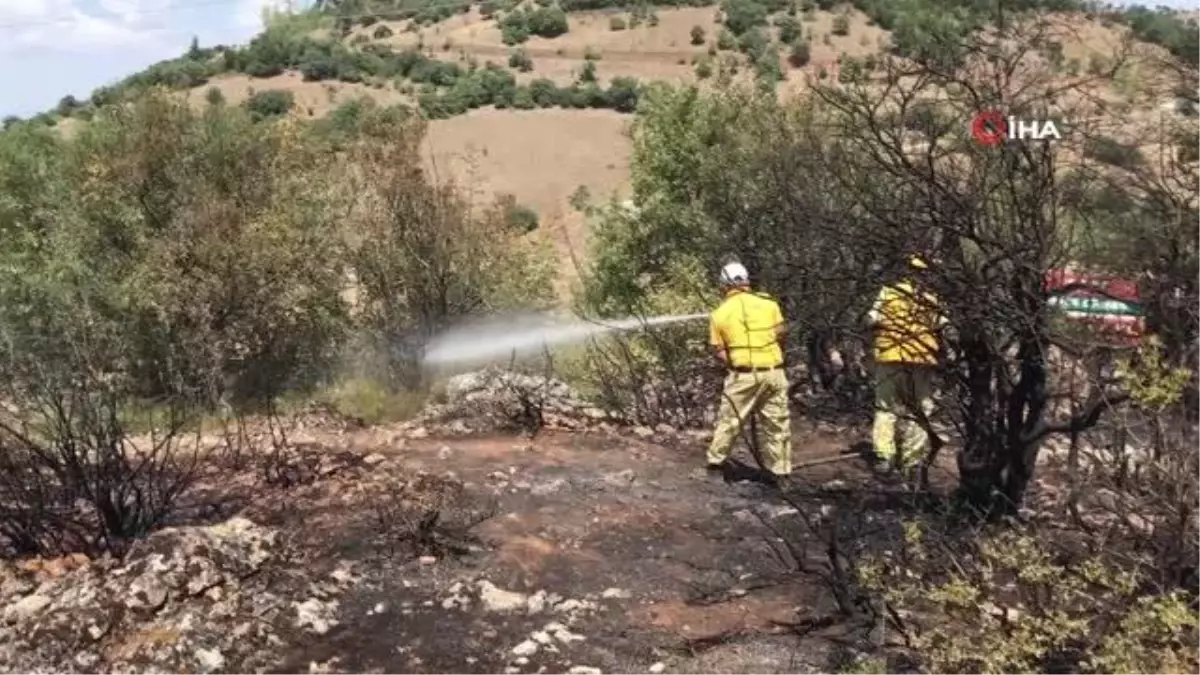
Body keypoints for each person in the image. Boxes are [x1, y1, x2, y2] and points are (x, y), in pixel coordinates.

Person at [706, 261, 793, 488]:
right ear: (746, 281)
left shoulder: (719, 314)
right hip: (774, 373)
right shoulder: (768, 303)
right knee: (777, 424)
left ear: (724, 285)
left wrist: (736, 366)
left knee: (729, 421)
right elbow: (781, 333)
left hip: (743, 375)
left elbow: (719, 351)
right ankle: (781, 475)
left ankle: (715, 466)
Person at [868, 254, 944, 474]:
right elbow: (941, 328)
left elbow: (871, 320)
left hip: (889, 358)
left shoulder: (887, 293)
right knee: (919, 411)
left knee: (885, 408)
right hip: (921, 360)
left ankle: (884, 457)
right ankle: (912, 461)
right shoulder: (932, 299)